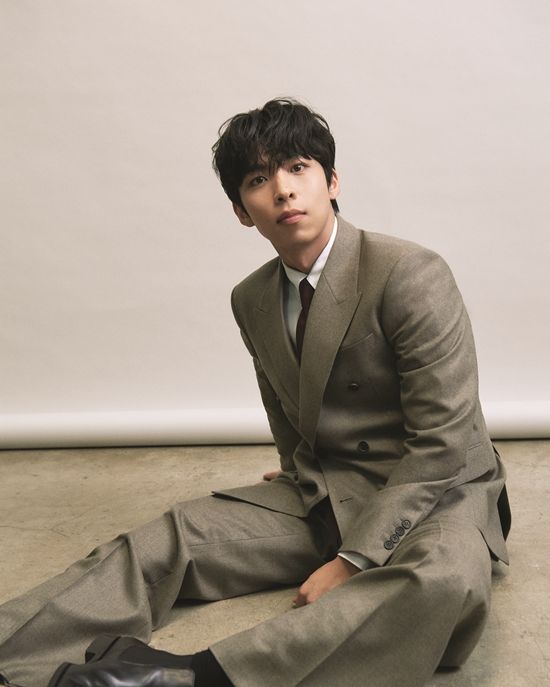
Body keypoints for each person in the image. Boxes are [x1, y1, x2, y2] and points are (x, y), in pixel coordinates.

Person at [0, 98, 511, 687]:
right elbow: (285, 408)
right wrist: (300, 468)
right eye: (258, 180)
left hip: (439, 492)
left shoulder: (410, 272)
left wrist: (353, 561)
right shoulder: (252, 298)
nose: (283, 190)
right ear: (243, 212)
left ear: (332, 181)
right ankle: (12, 645)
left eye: (298, 168)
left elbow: (444, 443)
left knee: (446, 583)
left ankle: (186, 678)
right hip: (329, 488)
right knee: (173, 535)